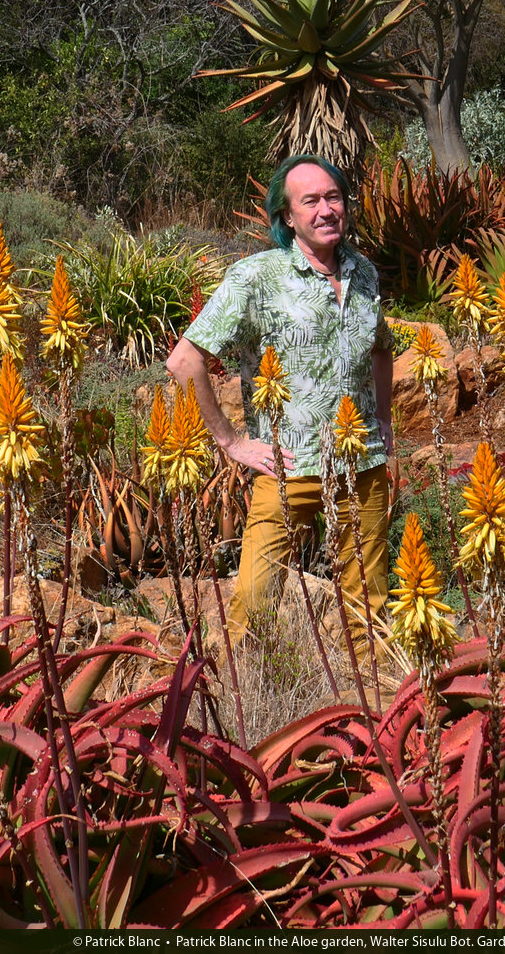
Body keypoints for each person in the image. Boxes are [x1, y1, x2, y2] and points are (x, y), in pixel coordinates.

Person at [166, 154, 394, 656]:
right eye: (310, 201)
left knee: (369, 608)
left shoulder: (364, 272)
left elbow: (381, 347)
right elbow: (184, 360)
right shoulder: (256, 277)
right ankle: (246, 689)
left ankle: (371, 693)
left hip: (362, 464)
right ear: (287, 216)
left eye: (333, 197)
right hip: (287, 467)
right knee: (254, 604)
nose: (325, 209)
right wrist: (230, 441)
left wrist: (384, 418)